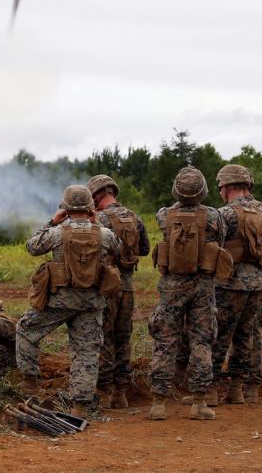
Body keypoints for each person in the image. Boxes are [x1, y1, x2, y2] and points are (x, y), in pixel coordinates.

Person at [16, 185, 121, 418]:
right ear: (90, 207)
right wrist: (97, 224)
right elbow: (118, 248)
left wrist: (52, 222)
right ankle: (80, 407)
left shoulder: (56, 233)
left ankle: (30, 386)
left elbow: (32, 246)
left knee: (26, 329)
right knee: (86, 351)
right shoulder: (103, 234)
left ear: (65, 207)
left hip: (58, 301)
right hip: (90, 303)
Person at [148, 166, 226, 421]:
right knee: (201, 342)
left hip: (171, 287)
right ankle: (199, 402)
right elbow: (221, 241)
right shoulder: (213, 216)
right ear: (202, 190)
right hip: (202, 287)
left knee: (165, 342)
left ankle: (158, 404)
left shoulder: (164, 215)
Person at [211, 164, 262, 404]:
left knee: (219, 335)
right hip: (258, 283)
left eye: (220, 187)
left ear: (227, 187)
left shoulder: (223, 214)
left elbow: (212, 248)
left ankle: (209, 390)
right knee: (249, 336)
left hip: (228, 283)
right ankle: (243, 389)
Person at [87, 174, 150, 409]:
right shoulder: (135, 217)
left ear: (96, 196)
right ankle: (120, 394)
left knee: (104, 339)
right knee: (124, 339)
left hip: (105, 287)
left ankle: (102, 393)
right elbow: (144, 249)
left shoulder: (99, 219)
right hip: (127, 288)